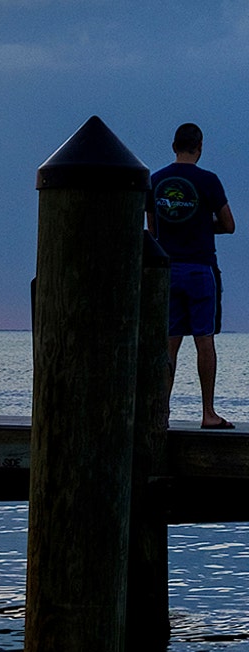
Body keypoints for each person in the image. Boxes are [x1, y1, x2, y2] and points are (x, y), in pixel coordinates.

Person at [149, 122, 236, 429]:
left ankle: (161, 412)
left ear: (174, 146)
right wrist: (202, 224)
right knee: (204, 340)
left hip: (167, 271)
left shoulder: (156, 181)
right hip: (200, 269)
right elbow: (229, 224)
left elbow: (154, 230)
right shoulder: (208, 180)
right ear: (199, 147)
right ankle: (208, 412)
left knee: (169, 343)